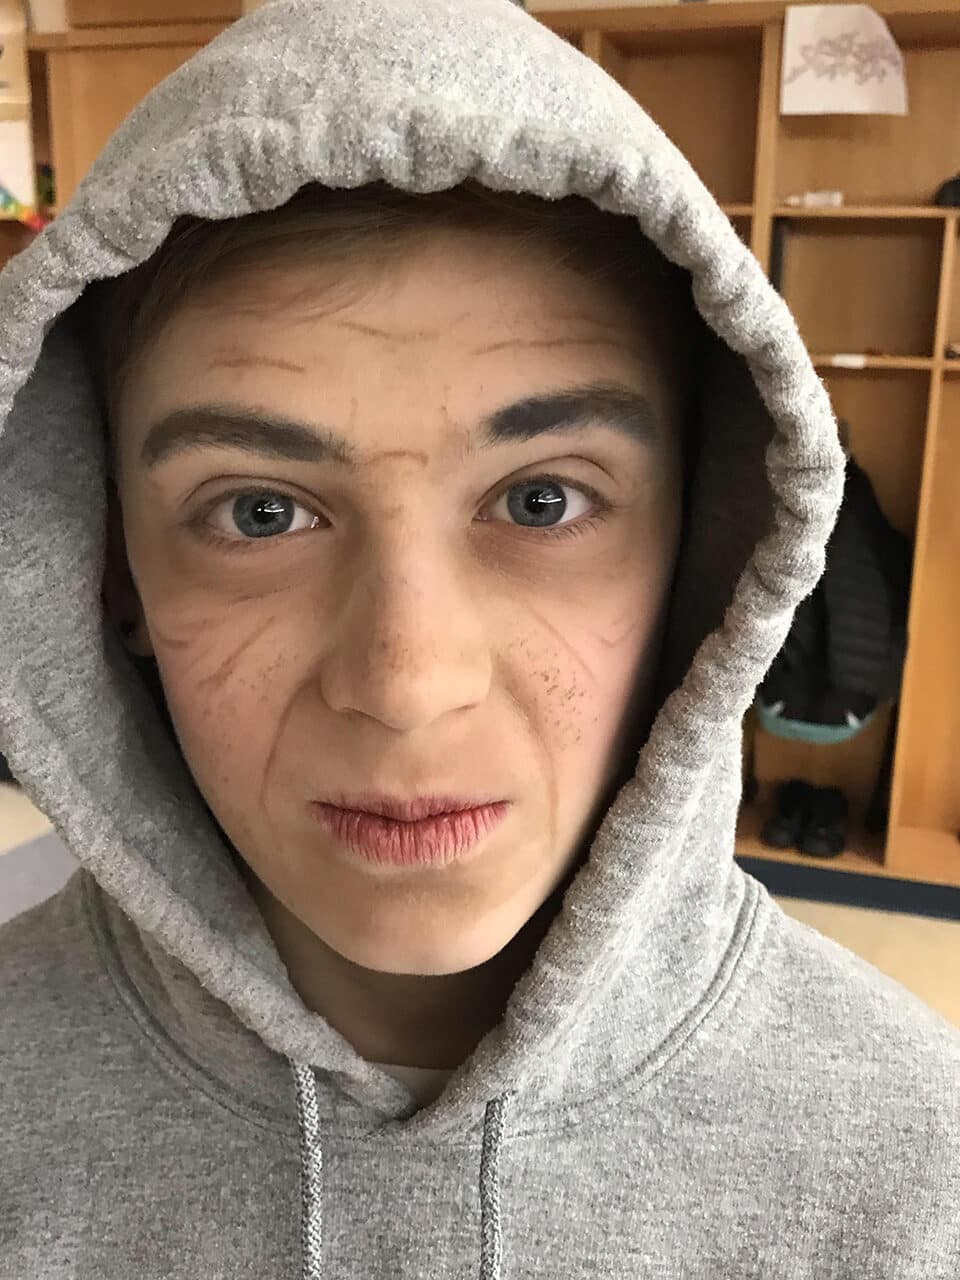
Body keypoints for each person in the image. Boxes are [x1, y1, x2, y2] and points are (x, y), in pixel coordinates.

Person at [0, 1, 956, 1276]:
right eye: (260, 511)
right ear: (111, 565)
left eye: (543, 499)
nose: (408, 683)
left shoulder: (915, 1180)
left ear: (702, 553)